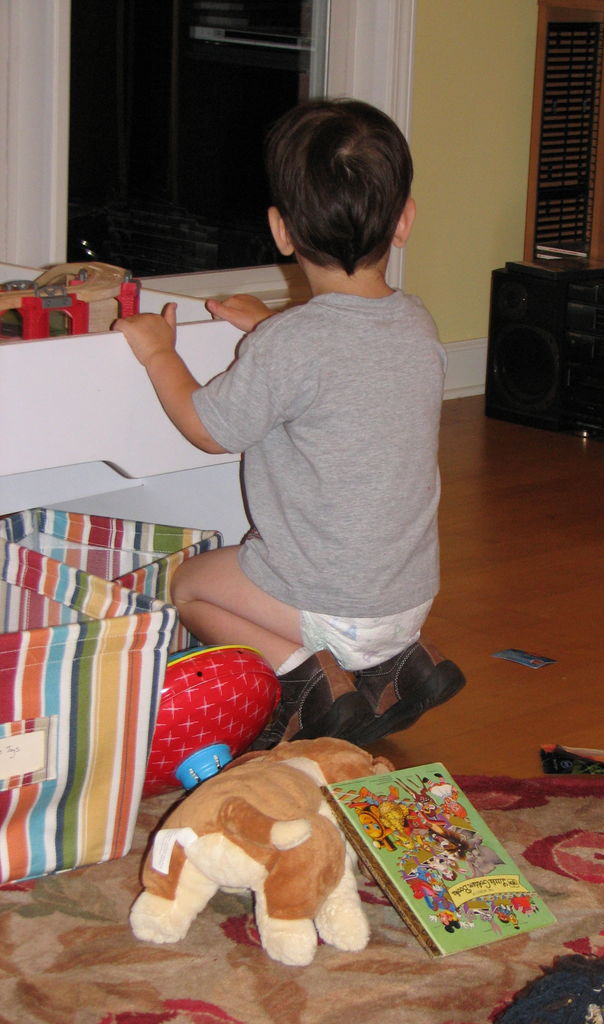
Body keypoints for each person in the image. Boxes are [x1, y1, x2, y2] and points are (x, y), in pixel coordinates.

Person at [115, 97, 465, 749]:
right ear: (404, 222)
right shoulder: (416, 324)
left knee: (186, 585)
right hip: (409, 596)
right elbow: (344, 367)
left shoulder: (293, 344)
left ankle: (306, 681)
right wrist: (273, 325)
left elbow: (208, 426)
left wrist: (159, 350)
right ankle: (399, 662)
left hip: (329, 604)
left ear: (281, 231)